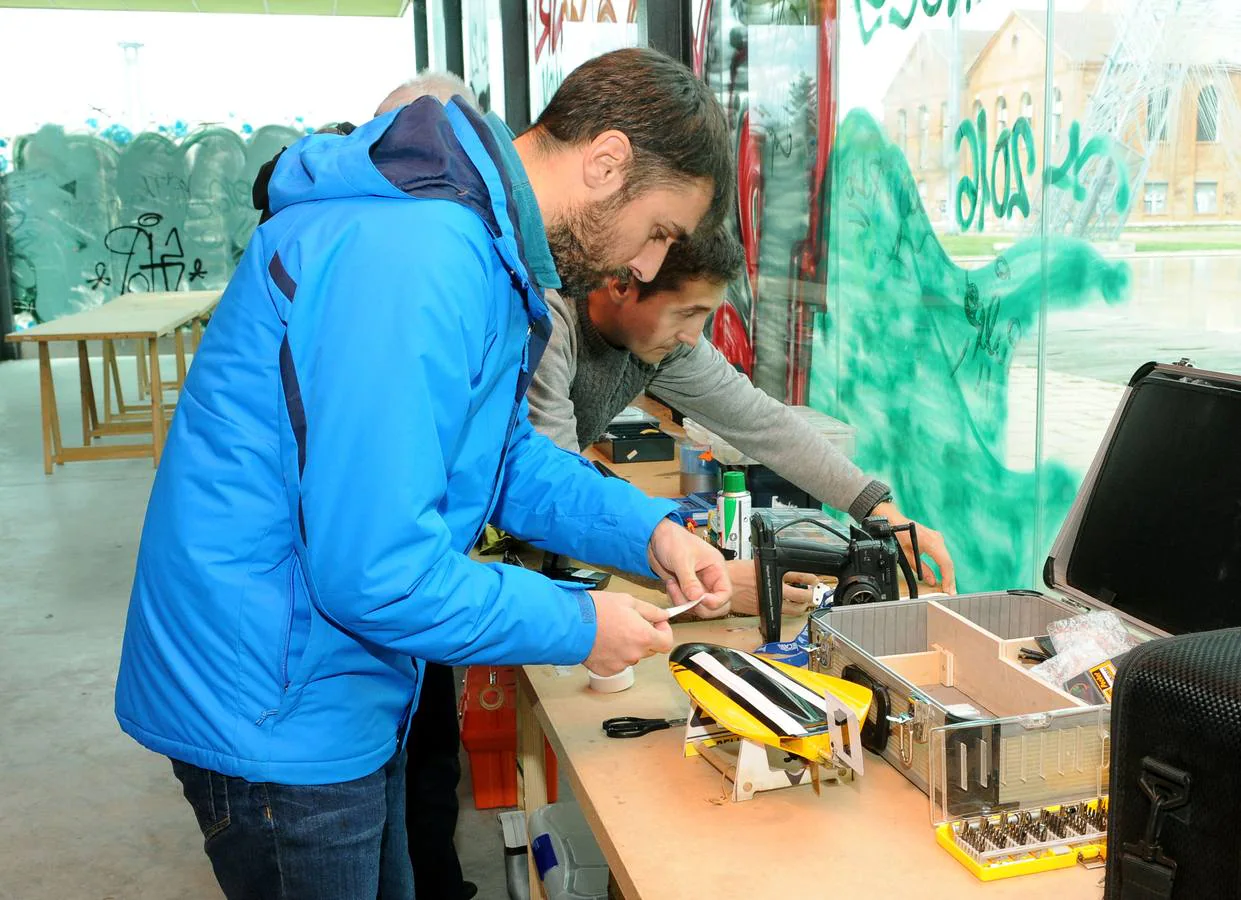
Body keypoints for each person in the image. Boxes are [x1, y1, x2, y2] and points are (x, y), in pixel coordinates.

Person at [115, 47, 735, 900]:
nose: (648, 266)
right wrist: (578, 622)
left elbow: (498, 456)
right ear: (606, 161)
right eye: (660, 229)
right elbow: (377, 574)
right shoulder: (417, 253)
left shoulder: (473, 242)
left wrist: (646, 529)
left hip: (331, 680)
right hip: (278, 702)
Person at [526, 227, 958, 617]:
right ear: (622, 281)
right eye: (686, 313)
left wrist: (881, 513)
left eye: (703, 316)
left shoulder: (664, 343)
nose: (693, 336)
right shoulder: (545, 322)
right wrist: (702, 578)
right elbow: (553, 492)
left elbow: (764, 424)